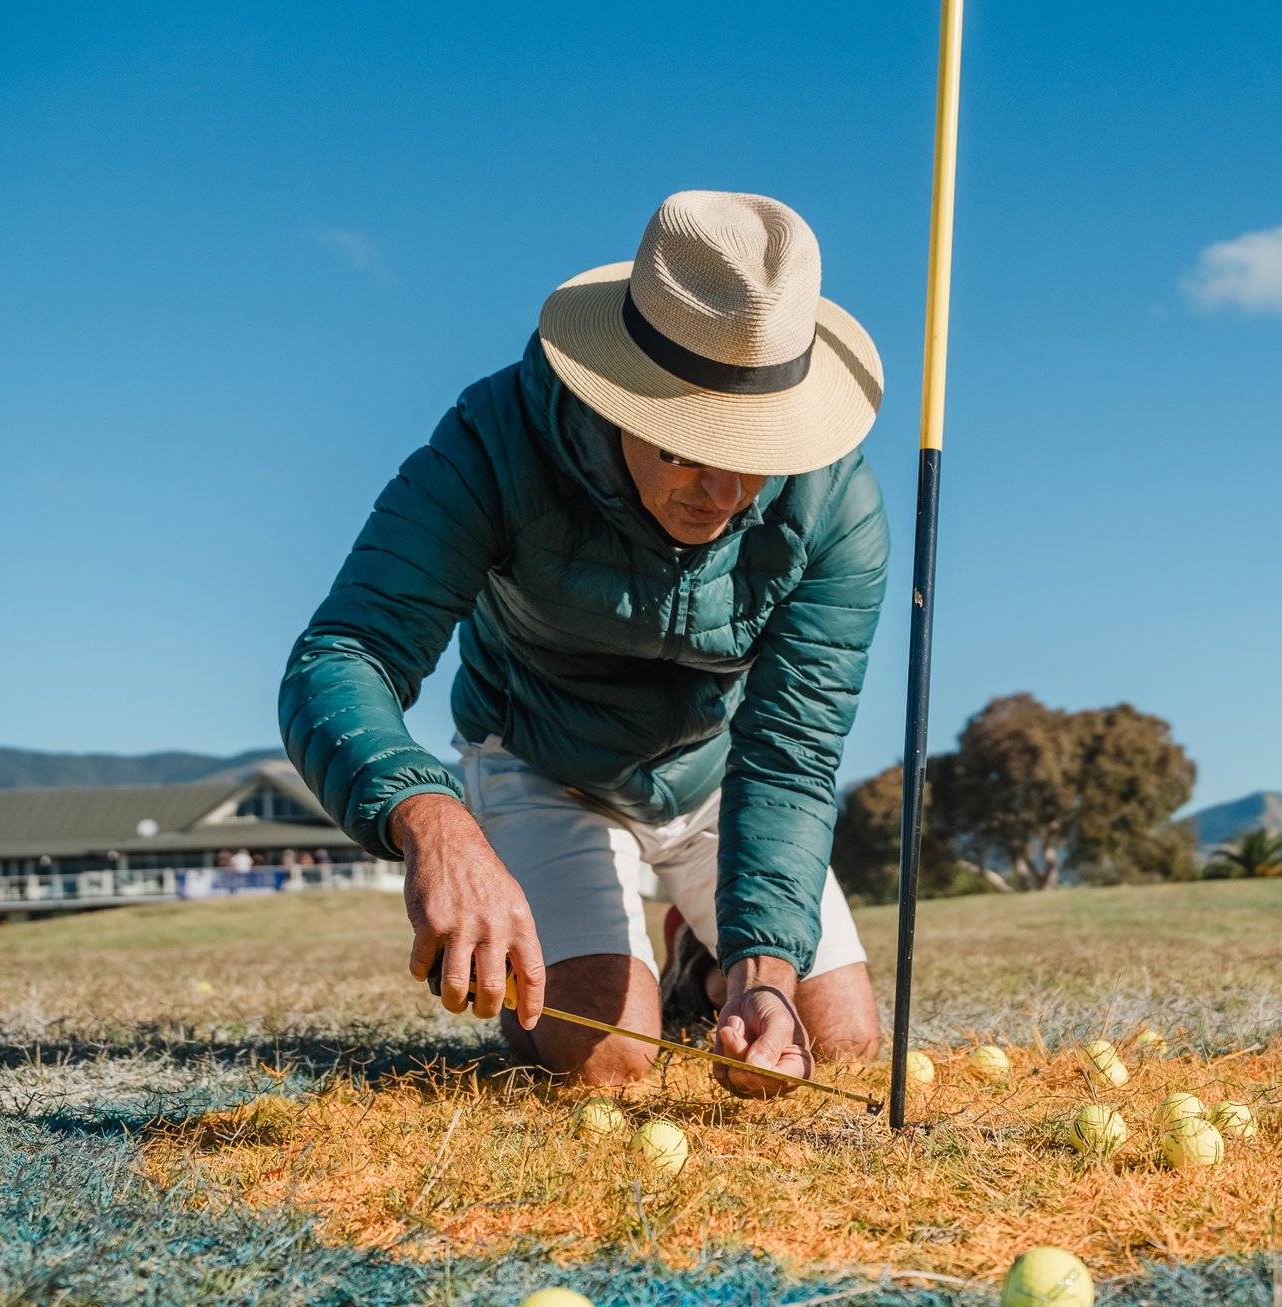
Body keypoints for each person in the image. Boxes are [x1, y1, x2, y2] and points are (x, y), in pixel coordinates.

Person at [280, 191, 889, 1095]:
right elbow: (341, 655)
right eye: (687, 448)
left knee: (837, 1038)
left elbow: (792, 750)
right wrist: (432, 817)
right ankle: (620, 966)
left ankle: (701, 959)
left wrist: (763, 969)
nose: (723, 495)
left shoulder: (837, 504)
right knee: (608, 1057)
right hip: (543, 765)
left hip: (716, 777)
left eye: (753, 450)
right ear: (619, 397)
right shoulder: (491, 441)